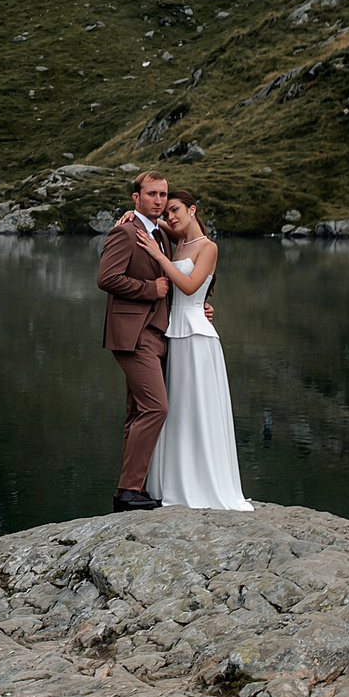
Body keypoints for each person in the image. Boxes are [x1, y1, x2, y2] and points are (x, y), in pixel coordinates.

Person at [142, 191, 254, 511]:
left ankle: (204, 485)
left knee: (198, 410)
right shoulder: (176, 240)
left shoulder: (208, 246)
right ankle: (174, 482)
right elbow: (146, 220)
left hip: (196, 336)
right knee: (176, 410)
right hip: (173, 333)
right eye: (168, 212)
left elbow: (190, 287)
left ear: (192, 210)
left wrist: (160, 257)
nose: (171, 216)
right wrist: (128, 215)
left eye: (176, 210)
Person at [97, 171, 175, 512]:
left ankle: (130, 490)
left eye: (163, 194)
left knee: (137, 412)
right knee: (156, 407)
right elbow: (107, 278)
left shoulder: (163, 234)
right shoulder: (125, 230)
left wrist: (202, 304)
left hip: (159, 334)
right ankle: (129, 491)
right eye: (152, 194)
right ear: (136, 197)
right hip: (133, 335)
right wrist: (149, 290)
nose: (158, 200)